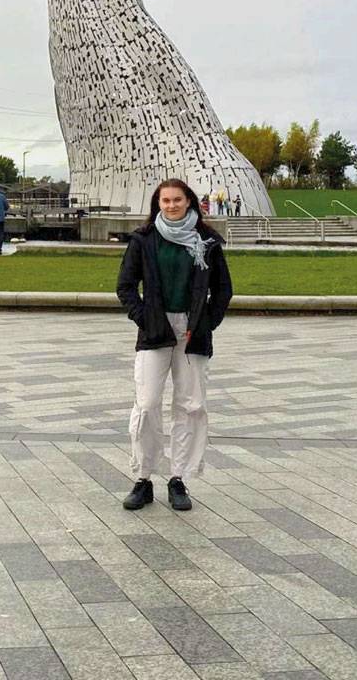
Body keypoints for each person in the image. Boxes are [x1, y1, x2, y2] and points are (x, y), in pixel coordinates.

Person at [116, 178, 232, 513]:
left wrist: (205, 323)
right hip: (155, 330)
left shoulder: (207, 241)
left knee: (191, 405)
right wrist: (146, 319)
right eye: (165, 201)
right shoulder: (144, 239)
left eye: (177, 200)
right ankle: (143, 477)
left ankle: (178, 477)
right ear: (158, 204)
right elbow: (125, 286)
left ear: (189, 202)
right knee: (147, 403)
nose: (171, 206)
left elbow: (223, 289)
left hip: (192, 331)